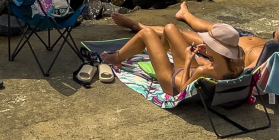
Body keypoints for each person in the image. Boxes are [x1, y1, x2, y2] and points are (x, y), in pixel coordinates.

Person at [111, 2, 279, 70]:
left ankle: (139, 26)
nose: (271, 37)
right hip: (242, 38)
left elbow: (248, 73)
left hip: (229, 46)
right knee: (215, 26)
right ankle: (185, 15)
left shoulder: (267, 58)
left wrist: (205, 61)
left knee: (180, 34)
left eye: (274, 36)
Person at [101, 20, 245, 97]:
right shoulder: (236, 64)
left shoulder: (204, 70)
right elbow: (217, 61)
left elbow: (183, 90)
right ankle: (157, 50)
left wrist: (189, 60)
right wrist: (206, 55)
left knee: (146, 32)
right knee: (170, 28)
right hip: (191, 75)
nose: (205, 43)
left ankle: (116, 58)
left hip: (172, 83)